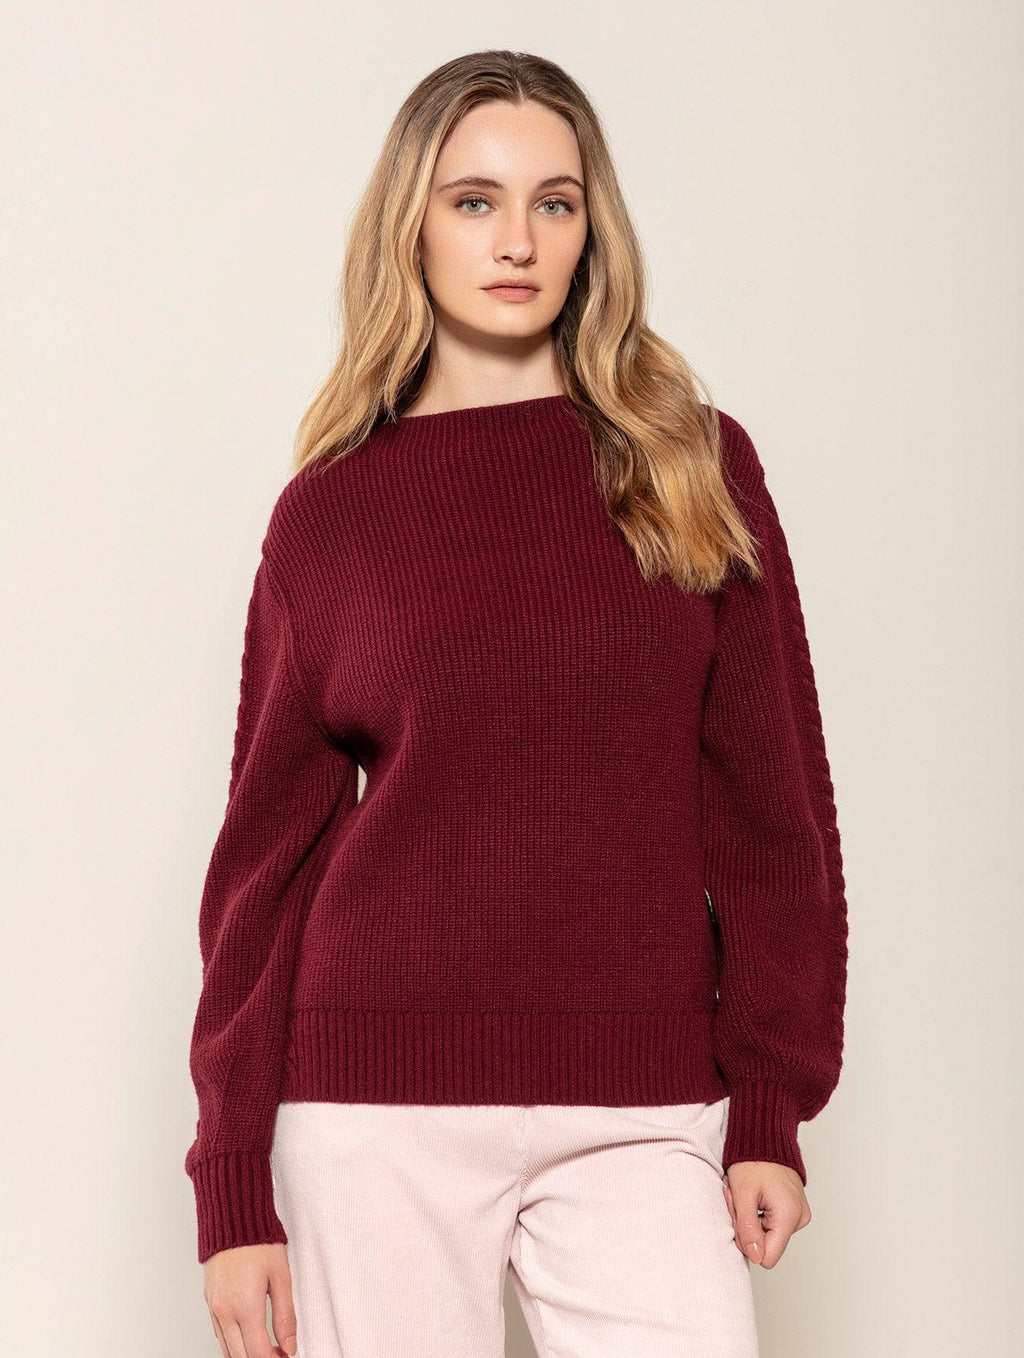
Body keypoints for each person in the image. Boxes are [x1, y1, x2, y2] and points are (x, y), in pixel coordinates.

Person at [185, 48, 849, 1358]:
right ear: (413, 227)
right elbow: (263, 866)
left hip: (645, 1099)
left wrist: (769, 1103)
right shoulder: (331, 514)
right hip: (372, 1107)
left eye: (555, 201)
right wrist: (232, 1188)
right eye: (474, 200)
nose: (516, 241)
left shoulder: (694, 467)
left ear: (594, 229)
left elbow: (770, 808)